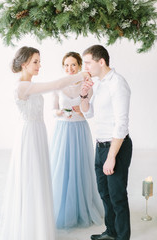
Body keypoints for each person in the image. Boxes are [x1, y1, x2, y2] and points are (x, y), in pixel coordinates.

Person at [0, 46, 89, 240]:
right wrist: (81, 74)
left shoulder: (30, 84)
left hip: (38, 132)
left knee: (39, 176)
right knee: (31, 177)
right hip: (29, 135)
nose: (39, 65)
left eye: (39, 61)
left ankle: (38, 226)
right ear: (24, 64)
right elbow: (57, 84)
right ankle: (30, 229)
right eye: (35, 62)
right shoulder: (22, 86)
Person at [80, 45, 132, 240]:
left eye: (88, 63)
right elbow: (88, 112)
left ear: (101, 62)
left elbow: (121, 124)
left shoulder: (118, 83)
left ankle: (122, 237)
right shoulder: (99, 83)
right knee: (104, 193)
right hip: (100, 145)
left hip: (116, 147)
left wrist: (111, 157)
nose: (85, 67)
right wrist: (84, 95)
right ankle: (111, 232)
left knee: (117, 196)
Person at [50, 52, 103, 229]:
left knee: (80, 166)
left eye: (73, 65)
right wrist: (62, 111)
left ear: (80, 66)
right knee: (62, 166)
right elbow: (53, 110)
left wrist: (80, 110)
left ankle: (82, 206)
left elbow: (88, 110)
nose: (69, 68)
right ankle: (62, 207)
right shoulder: (58, 85)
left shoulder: (86, 84)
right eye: (66, 65)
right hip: (63, 129)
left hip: (80, 128)